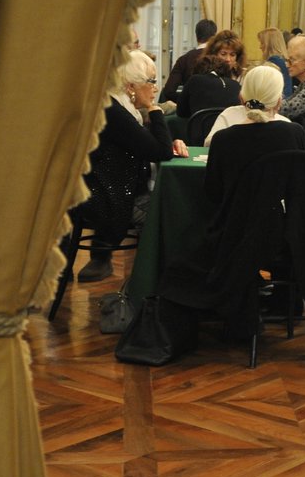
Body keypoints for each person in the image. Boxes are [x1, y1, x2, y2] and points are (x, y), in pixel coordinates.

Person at [70, 50, 179, 282]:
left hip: (107, 190)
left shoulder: (115, 106)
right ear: (131, 85)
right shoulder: (113, 111)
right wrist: (155, 110)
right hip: (107, 199)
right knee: (171, 212)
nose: (155, 88)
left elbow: (148, 144)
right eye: (151, 81)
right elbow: (160, 152)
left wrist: (171, 141)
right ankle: (154, 285)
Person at [204, 64, 305, 216]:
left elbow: (213, 193)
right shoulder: (295, 133)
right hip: (285, 226)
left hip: (233, 227)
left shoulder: (222, 139)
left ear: (242, 98)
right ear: (279, 102)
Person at [203, 64, 295, 144]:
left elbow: (209, 145)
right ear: (279, 102)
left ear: (241, 98)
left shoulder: (228, 117)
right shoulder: (291, 131)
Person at [175, 30, 243, 119]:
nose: (228, 59)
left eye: (232, 55)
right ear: (213, 54)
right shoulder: (200, 77)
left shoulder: (242, 78)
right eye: (223, 54)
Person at [160, 18, 217, 102]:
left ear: (197, 36)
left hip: (190, 112)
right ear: (214, 37)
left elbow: (169, 91)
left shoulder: (184, 59)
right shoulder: (220, 59)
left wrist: (186, 100)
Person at [255, 27, 294, 98]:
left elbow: (267, 88)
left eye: (262, 43)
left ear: (269, 44)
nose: (260, 47)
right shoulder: (284, 59)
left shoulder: (274, 61)